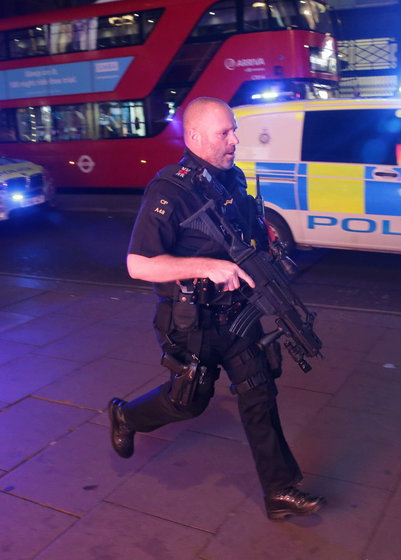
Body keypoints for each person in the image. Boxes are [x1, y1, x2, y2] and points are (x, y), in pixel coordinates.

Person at [107, 97, 325, 521]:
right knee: (188, 402)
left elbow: (241, 240)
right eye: (225, 133)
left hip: (237, 317)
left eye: (234, 130)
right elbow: (139, 264)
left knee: (259, 394)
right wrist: (208, 266)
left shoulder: (232, 179)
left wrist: (266, 251)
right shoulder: (168, 190)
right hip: (194, 323)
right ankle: (125, 417)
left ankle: (279, 490)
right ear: (194, 137)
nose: (235, 140)